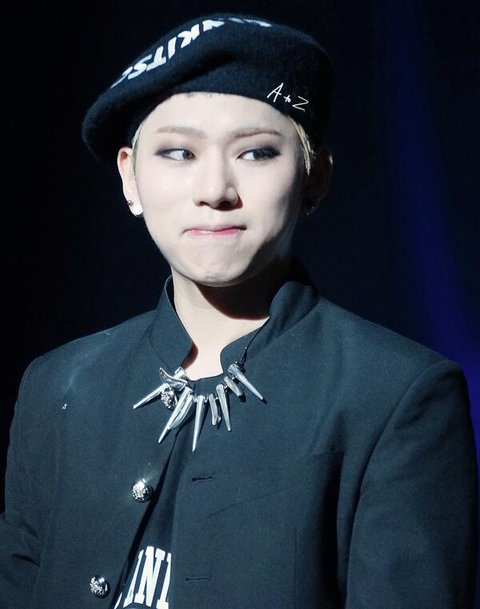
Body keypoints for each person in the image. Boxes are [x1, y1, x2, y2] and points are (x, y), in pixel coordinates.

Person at [0, 11, 477, 609]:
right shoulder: (58, 387)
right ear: (130, 177)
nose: (214, 190)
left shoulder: (395, 396)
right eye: (178, 152)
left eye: (255, 153)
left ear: (314, 176)